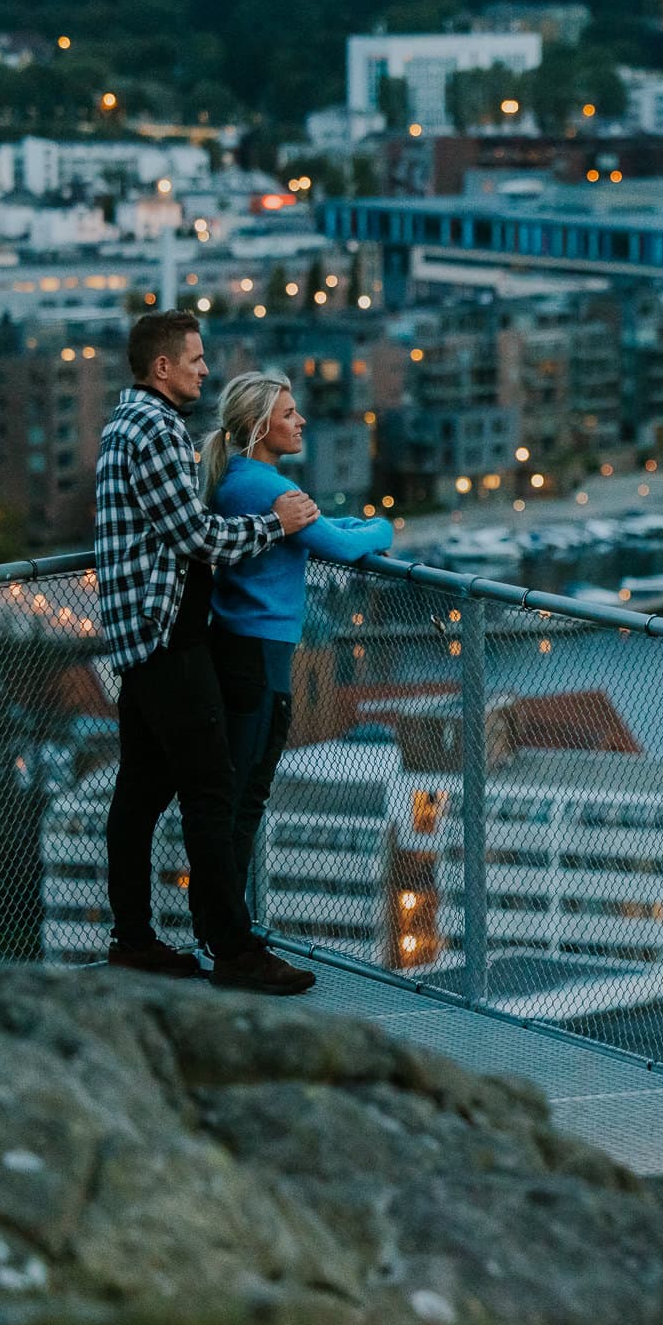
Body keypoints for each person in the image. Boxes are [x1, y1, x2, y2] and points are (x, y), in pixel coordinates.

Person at [94, 312, 320, 994]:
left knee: (140, 794)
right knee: (212, 789)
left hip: (141, 638)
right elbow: (195, 536)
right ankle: (233, 947)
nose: (203, 370)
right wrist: (275, 523)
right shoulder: (156, 429)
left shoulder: (123, 424)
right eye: (193, 359)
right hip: (167, 637)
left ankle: (134, 941)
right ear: (161, 366)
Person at [202, 371, 394, 917]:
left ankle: (224, 923)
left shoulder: (238, 478)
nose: (301, 421)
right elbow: (342, 546)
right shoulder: (265, 488)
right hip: (261, 657)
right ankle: (227, 927)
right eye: (289, 414)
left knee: (237, 794)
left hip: (239, 649)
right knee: (246, 798)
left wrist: (346, 524)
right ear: (259, 426)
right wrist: (381, 528)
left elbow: (319, 525)